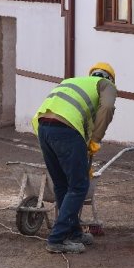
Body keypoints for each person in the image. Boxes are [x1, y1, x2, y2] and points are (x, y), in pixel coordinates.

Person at [32, 63, 117, 254]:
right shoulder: (106, 85)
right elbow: (108, 107)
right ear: (109, 78)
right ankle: (57, 238)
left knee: (62, 184)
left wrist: (85, 149)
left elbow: (83, 119)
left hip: (44, 128)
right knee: (79, 186)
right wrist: (96, 139)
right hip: (66, 130)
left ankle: (73, 232)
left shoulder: (73, 82)